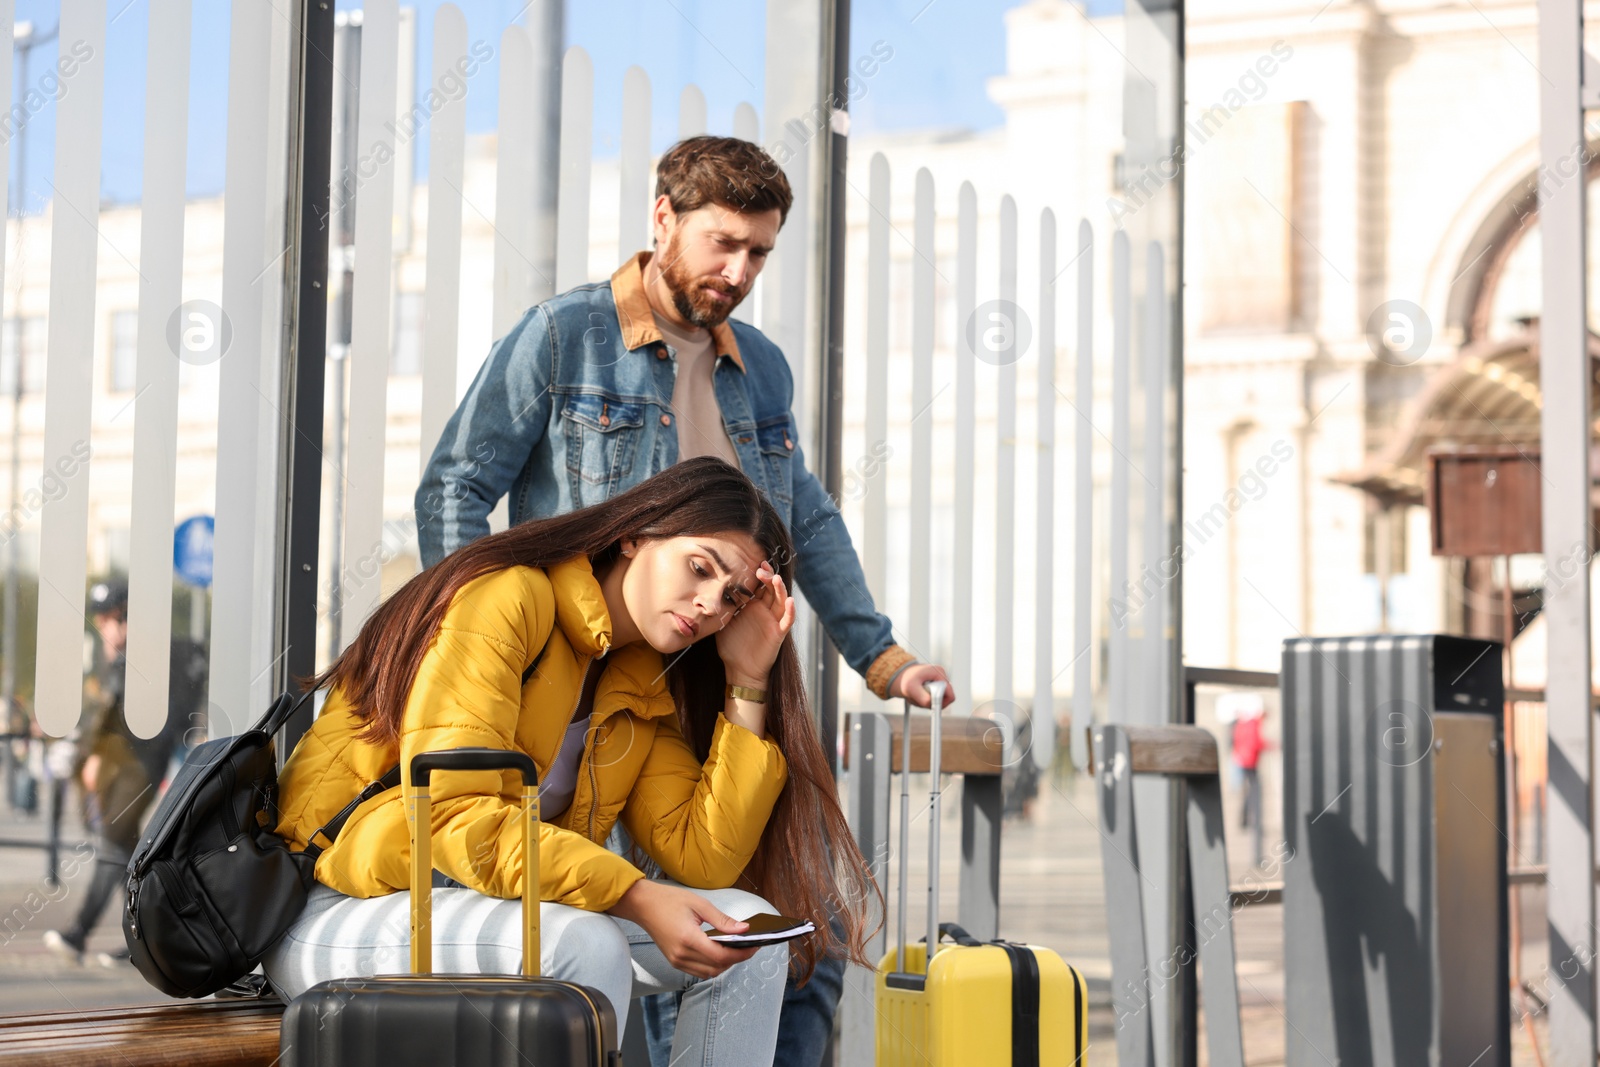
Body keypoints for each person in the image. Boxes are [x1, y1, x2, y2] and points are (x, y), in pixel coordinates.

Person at [415, 134, 953, 1066]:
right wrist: (495, 631)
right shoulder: (564, 336)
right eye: (721, 243)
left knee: (796, 936)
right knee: (650, 934)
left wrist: (882, 655)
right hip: (583, 692)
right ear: (662, 219)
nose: (738, 271)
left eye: (758, 252)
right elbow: (454, 485)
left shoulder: (764, 370)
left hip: (710, 692)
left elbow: (807, 519)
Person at [264, 460, 880, 1067]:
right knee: (588, 943)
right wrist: (634, 896)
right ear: (638, 534)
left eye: (732, 596)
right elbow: (451, 815)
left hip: (496, 905)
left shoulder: (635, 682)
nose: (708, 604)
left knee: (747, 933)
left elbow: (705, 854)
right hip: (337, 906)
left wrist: (747, 679)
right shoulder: (509, 598)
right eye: (699, 568)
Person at [44, 578, 206, 965]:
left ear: (129, 618)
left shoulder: (144, 659)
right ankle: (153, 943)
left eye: (111, 619)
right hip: (133, 766)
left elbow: (121, 723)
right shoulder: (128, 658)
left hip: (140, 766)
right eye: (101, 621)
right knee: (127, 854)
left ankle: (79, 934)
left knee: (116, 845)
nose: (105, 629)